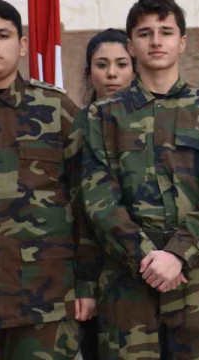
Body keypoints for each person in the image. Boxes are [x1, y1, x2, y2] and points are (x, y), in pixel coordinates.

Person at [80, 0, 199, 359]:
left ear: (182, 42)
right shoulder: (102, 115)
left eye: (165, 31)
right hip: (126, 276)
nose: (155, 40)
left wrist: (178, 255)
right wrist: (147, 256)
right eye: (145, 32)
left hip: (198, 277)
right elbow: (98, 196)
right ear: (131, 45)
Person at [0, 0, 98, 359]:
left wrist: (87, 284)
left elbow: (87, 200)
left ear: (22, 45)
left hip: (44, 299)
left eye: (2, 35)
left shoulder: (56, 109)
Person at [76, 28, 136, 360]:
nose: (112, 73)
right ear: (88, 72)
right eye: (101, 64)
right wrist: (84, 282)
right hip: (92, 271)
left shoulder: (153, 121)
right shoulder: (75, 125)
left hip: (144, 267)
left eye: (121, 64)